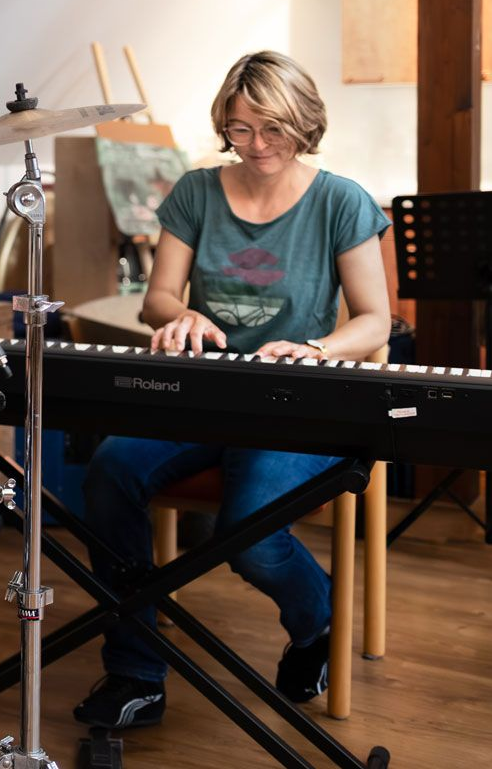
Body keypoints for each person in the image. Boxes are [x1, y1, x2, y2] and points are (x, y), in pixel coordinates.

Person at [73, 50, 391, 730]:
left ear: (303, 123)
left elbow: (374, 321)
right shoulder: (196, 193)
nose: (256, 145)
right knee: (108, 472)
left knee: (247, 535)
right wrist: (181, 314)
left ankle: (316, 619)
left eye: (272, 129)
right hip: (204, 395)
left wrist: (315, 349)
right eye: (240, 129)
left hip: (293, 402)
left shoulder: (340, 201)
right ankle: (135, 671)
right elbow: (157, 299)